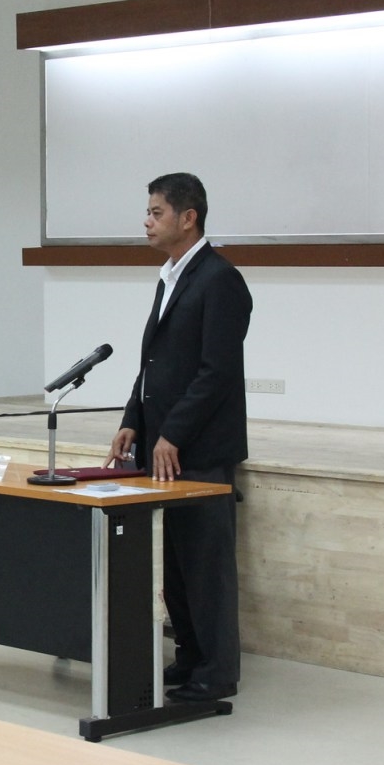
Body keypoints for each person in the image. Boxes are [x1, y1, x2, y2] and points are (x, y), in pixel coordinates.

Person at [106, 172, 252, 707]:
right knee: (175, 564)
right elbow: (154, 363)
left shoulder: (220, 280)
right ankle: (189, 656)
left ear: (188, 218)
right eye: (148, 212)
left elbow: (216, 372)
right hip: (162, 447)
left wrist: (173, 432)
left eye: (156, 212)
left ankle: (217, 674)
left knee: (206, 568)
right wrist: (133, 419)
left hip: (201, 450)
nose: (146, 222)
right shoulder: (170, 276)